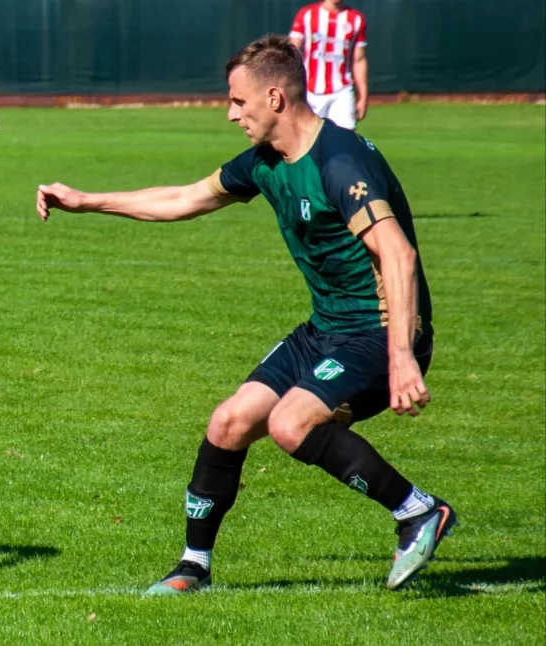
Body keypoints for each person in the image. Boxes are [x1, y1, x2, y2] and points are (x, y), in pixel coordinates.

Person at [36, 34, 454, 594]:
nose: (230, 113)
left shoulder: (339, 160)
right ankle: (193, 567)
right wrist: (88, 201)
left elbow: (398, 253)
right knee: (228, 423)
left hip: (379, 331)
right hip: (327, 326)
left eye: (239, 102)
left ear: (275, 98)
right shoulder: (266, 163)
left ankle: (417, 511)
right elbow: (185, 199)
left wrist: (401, 356)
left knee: (289, 424)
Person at [289, 0, 368, 130]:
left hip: (342, 90)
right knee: (310, 139)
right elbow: (292, 52)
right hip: (310, 91)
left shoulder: (356, 19)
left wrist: (363, 97)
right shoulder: (307, 14)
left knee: (345, 139)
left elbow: (359, 60)